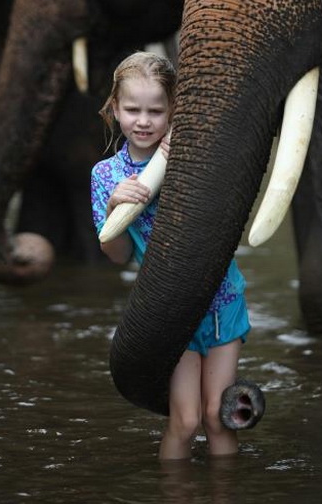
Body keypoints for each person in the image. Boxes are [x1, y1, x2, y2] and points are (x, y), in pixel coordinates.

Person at [91, 51, 250, 460]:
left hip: (223, 300)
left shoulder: (191, 160)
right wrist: (114, 209)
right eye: (132, 110)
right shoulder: (106, 176)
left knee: (219, 416)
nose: (143, 121)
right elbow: (117, 254)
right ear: (114, 109)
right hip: (170, 309)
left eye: (156, 111)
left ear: (173, 112)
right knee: (186, 420)